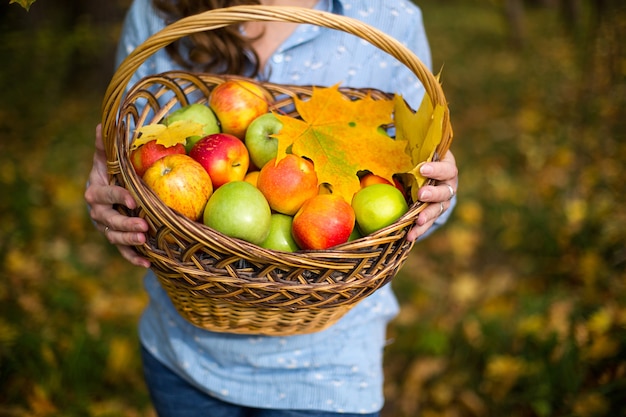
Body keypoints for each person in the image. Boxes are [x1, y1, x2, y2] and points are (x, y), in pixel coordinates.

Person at [85, 0, 459, 416]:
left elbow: (420, 189)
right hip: (183, 358)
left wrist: (438, 192)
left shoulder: (389, 18)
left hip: (328, 376)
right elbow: (130, 151)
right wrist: (111, 195)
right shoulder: (161, 10)